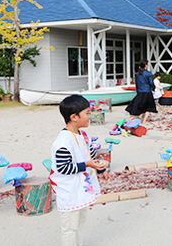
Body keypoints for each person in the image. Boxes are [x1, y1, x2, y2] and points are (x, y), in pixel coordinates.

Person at [51, 95, 108, 246]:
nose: (90, 116)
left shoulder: (82, 135)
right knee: (70, 227)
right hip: (69, 191)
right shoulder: (63, 141)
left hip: (80, 189)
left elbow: (89, 156)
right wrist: (88, 164)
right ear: (74, 117)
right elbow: (63, 167)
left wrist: (100, 168)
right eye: (87, 113)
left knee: (80, 222)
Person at [126, 60, 157, 124]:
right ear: (146, 65)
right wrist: (154, 88)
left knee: (141, 104)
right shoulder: (148, 73)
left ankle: (140, 116)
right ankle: (144, 121)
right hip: (147, 91)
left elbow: (137, 84)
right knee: (149, 107)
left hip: (140, 92)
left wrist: (138, 91)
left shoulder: (137, 73)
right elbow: (151, 83)